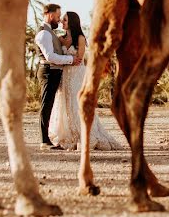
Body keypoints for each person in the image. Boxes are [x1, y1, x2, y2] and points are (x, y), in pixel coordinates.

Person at [49, 11, 120, 150]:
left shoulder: (80, 38)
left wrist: (66, 60)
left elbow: (79, 58)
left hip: (77, 75)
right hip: (65, 74)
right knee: (65, 104)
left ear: (72, 22)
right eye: (62, 20)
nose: (62, 22)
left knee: (77, 104)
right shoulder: (60, 39)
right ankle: (68, 137)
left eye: (65, 20)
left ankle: (84, 136)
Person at [34, 3, 81, 150]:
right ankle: (44, 141)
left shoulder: (50, 33)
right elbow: (50, 56)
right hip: (48, 71)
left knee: (50, 105)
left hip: (54, 72)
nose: (59, 19)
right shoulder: (44, 34)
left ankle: (47, 139)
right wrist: (70, 60)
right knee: (46, 105)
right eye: (58, 16)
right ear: (50, 14)